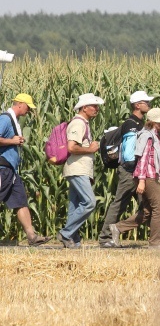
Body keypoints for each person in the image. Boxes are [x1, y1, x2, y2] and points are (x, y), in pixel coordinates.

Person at [109, 108, 160, 249]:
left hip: (151, 176)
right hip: (147, 177)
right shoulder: (147, 136)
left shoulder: (156, 136)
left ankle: (118, 228)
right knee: (159, 208)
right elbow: (143, 159)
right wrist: (142, 181)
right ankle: (155, 242)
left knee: (148, 211)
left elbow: (157, 159)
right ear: (153, 122)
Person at [99, 90, 154, 248]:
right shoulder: (131, 124)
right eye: (146, 102)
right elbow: (129, 152)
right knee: (120, 203)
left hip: (137, 171)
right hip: (131, 171)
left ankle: (159, 235)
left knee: (148, 205)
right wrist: (134, 170)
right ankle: (105, 237)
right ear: (137, 105)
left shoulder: (139, 123)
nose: (149, 105)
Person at [0, 94, 51, 246]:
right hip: (3, 169)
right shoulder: (5, 119)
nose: (29, 110)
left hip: (12, 170)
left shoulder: (12, 120)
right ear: (20, 104)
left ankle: (32, 236)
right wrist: (12, 140)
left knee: (21, 202)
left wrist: (16, 140)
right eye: (28, 107)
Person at [57, 93, 104, 249]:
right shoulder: (78, 123)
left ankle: (74, 241)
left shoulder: (83, 123)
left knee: (75, 206)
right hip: (77, 169)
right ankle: (66, 233)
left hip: (79, 169)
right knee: (89, 202)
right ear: (85, 108)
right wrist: (90, 148)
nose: (97, 109)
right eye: (94, 106)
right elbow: (72, 147)